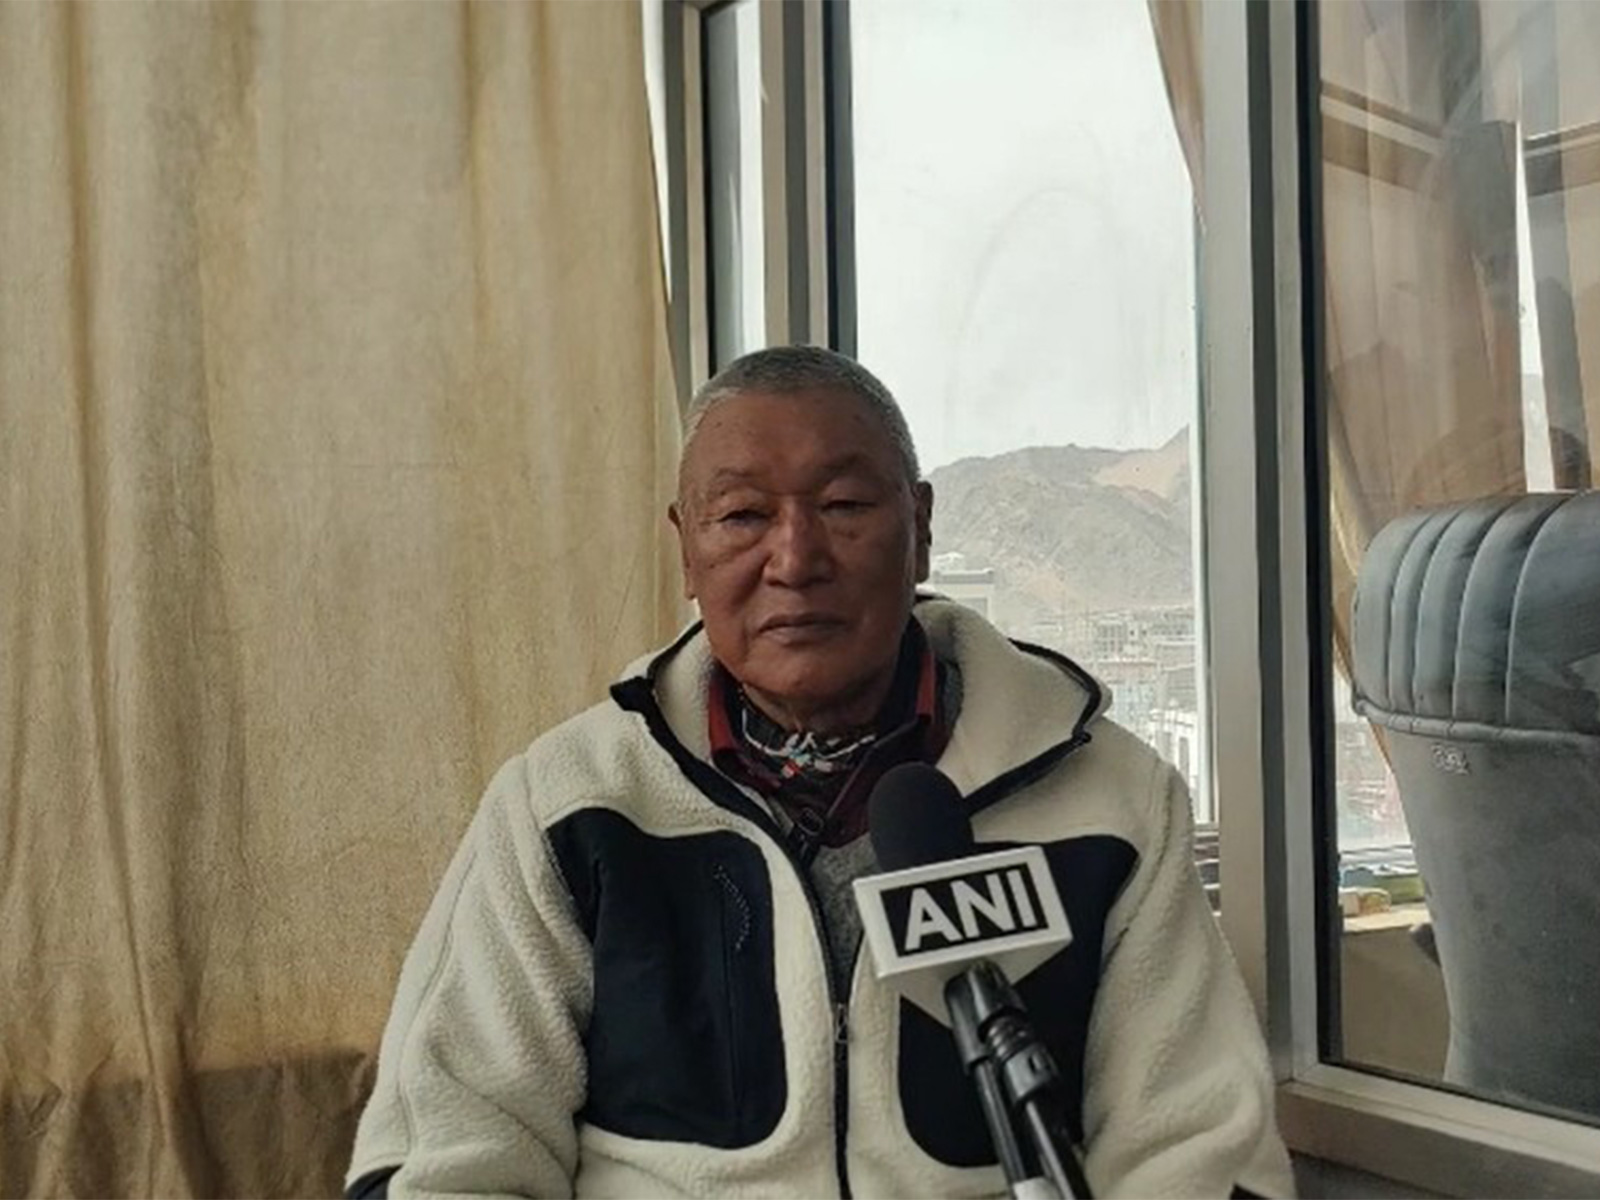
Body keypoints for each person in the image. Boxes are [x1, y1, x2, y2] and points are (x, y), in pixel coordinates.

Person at [345, 346, 1294, 1198]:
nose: (795, 559)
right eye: (742, 515)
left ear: (920, 527)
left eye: (843, 507)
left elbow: (1199, 1150)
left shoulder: (1111, 801)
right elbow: (449, 1155)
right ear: (687, 550)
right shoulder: (570, 807)